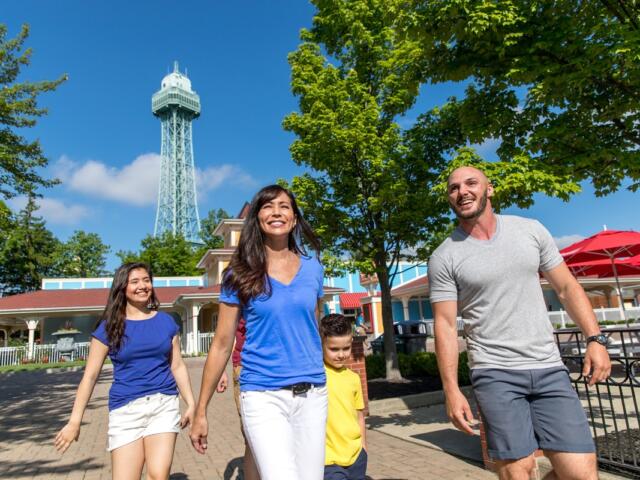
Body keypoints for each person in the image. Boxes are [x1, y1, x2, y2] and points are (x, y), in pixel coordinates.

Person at [428, 166, 611, 480]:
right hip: (495, 373)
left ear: (490, 189)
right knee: (519, 473)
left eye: (471, 183)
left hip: (549, 368)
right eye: (454, 188)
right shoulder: (444, 257)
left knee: (581, 474)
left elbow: (567, 288)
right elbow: (444, 325)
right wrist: (451, 390)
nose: (462, 191)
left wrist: (595, 339)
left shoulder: (530, 230)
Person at [190, 185, 327, 480]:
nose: (276, 212)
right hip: (263, 394)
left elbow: (314, 327)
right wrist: (201, 410)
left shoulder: (314, 268)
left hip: (313, 393)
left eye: (284, 206)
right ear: (257, 219)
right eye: (267, 206)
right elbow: (222, 343)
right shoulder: (238, 273)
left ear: (294, 218)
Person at [54, 262, 196, 480]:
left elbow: (176, 365)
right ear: (122, 287)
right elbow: (90, 377)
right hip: (126, 410)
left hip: (163, 404)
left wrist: (191, 404)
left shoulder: (166, 322)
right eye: (135, 281)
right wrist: (75, 421)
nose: (142, 286)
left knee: (159, 475)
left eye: (146, 280)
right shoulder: (108, 327)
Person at [320, 314, 367, 480]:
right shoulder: (316, 376)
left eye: (345, 348)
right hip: (327, 459)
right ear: (321, 345)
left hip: (356, 456)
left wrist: (363, 447)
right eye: (334, 349)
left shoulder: (353, 378)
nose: (341, 354)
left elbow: (359, 415)